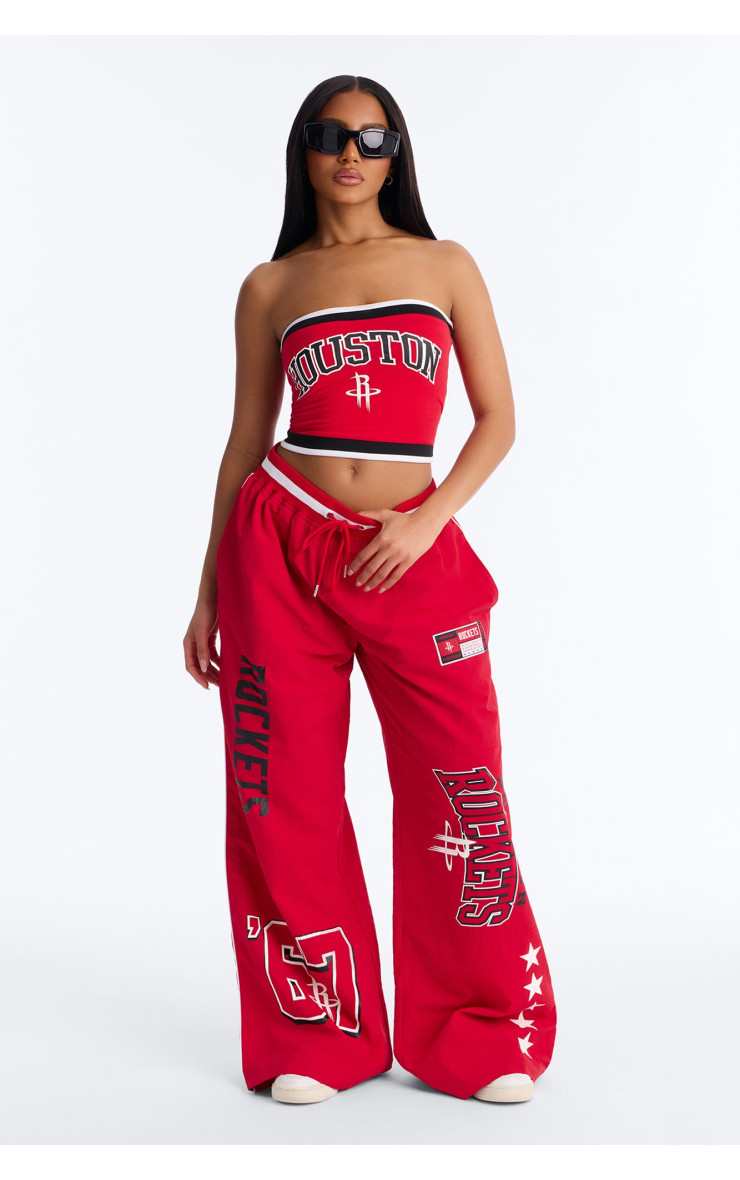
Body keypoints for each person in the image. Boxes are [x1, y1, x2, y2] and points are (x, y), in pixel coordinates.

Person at [183, 74, 557, 1106]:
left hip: (407, 548)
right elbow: (244, 440)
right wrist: (208, 590)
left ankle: (479, 1029)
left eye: (373, 137)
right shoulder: (271, 284)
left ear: (397, 154)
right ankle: (319, 1030)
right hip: (278, 543)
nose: (351, 153)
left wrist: (427, 521)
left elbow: (497, 419)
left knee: (458, 786)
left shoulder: (444, 265)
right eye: (330, 134)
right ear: (302, 151)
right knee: (283, 793)